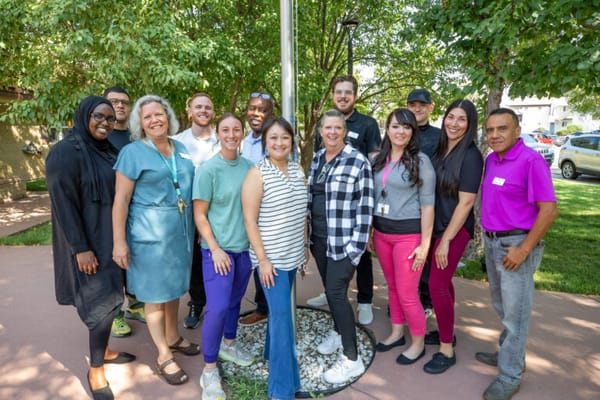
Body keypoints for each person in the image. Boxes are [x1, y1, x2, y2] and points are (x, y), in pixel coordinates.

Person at [46, 96, 136, 400]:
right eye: (99, 116)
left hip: (112, 237)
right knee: (101, 303)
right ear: (84, 115)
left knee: (114, 300)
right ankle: (96, 369)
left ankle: (106, 350)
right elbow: (63, 205)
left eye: (111, 119)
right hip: (87, 241)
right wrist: (80, 248)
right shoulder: (64, 153)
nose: (105, 123)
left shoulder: (109, 150)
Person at [112, 95, 199, 386]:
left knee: (174, 289)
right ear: (140, 123)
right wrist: (119, 242)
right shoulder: (132, 152)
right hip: (149, 235)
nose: (154, 120)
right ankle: (163, 354)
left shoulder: (181, 148)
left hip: (180, 234)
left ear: (168, 117)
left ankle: (173, 336)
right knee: (154, 296)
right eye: (147, 116)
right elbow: (121, 201)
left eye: (159, 114)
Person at [478, 108, 558, 400]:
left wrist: (524, 249)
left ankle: (510, 376)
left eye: (502, 128)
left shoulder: (531, 161)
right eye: (490, 130)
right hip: (492, 243)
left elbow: (549, 210)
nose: (495, 135)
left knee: (516, 315)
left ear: (517, 130)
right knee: (502, 305)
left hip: (515, 246)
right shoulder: (492, 159)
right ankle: (510, 356)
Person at [242, 117, 307, 400]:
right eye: (273, 138)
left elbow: (300, 213)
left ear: (291, 141)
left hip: (292, 255)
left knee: (279, 316)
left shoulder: (297, 169)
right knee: (282, 320)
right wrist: (263, 261)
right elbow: (249, 220)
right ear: (265, 142)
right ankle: (282, 390)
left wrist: (303, 246)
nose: (279, 143)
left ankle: (270, 354)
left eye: (285, 138)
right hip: (271, 261)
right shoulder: (258, 173)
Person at [309, 109, 374, 384]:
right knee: (331, 289)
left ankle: (351, 358)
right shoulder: (317, 159)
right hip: (320, 240)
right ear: (321, 131)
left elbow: (366, 207)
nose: (332, 132)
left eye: (338, 128)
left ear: (344, 131)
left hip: (344, 242)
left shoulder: (357, 161)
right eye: (327, 128)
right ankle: (337, 332)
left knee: (336, 293)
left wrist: (355, 249)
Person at [309, 75, 381, 326]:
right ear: (332, 95)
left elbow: (374, 160)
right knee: (330, 260)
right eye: (338, 91)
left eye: (347, 92)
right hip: (330, 205)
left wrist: (367, 209)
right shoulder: (326, 122)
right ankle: (332, 292)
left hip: (355, 199)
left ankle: (364, 300)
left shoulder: (368, 123)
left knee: (359, 255)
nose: (343, 96)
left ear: (355, 95)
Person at [194, 113, 255, 400]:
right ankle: (208, 371)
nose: (231, 134)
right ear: (218, 133)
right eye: (226, 130)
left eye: (236, 129)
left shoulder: (250, 168)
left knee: (233, 302)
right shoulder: (209, 170)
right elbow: (199, 215)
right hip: (217, 252)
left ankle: (228, 343)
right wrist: (215, 249)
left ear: (242, 133)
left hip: (244, 251)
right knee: (217, 308)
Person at [368, 108, 435, 366]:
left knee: (408, 292)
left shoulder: (421, 161)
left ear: (413, 132)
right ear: (387, 128)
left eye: (407, 127)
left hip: (408, 236)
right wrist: (373, 231)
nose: (401, 131)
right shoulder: (378, 159)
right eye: (396, 126)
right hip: (383, 234)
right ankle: (397, 332)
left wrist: (425, 245)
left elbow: (428, 206)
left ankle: (417, 342)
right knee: (393, 287)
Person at [422, 99, 484, 374]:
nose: (454, 123)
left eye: (461, 119)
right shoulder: (440, 148)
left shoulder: (471, 155)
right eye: (451, 117)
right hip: (435, 226)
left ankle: (447, 349)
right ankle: (447, 331)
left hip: (454, 229)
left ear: (469, 125)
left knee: (436, 284)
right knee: (443, 284)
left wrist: (446, 239)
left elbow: (467, 203)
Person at [173, 92, 219, 330]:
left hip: (218, 211)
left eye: (208, 107)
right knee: (193, 262)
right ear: (190, 110)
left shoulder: (223, 140)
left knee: (216, 256)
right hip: (186, 211)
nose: (203, 110)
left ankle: (218, 304)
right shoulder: (176, 141)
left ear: (213, 113)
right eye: (198, 106)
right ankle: (196, 302)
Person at [103, 86, 146, 338]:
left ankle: (135, 304)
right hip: (106, 209)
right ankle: (116, 314)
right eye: (114, 102)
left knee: (132, 260)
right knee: (113, 262)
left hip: (135, 211)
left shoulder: (135, 137)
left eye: (124, 103)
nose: (119, 106)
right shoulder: (100, 136)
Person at [238, 92, 275, 327]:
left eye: (263, 109)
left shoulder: (275, 138)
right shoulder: (244, 141)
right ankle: (263, 308)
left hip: (270, 213)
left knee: (270, 260)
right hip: (248, 212)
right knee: (255, 260)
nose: (257, 113)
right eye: (253, 108)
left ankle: (271, 309)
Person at [406, 88, 442, 321]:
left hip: (430, 203)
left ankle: (426, 300)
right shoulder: (401, 131)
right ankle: (406, 298)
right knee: (407, 255)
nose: (417, 108)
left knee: (426, 254)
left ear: (431, 107)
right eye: (412, 104)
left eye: (422, 104)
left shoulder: (440, 136)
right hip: (403, 206)